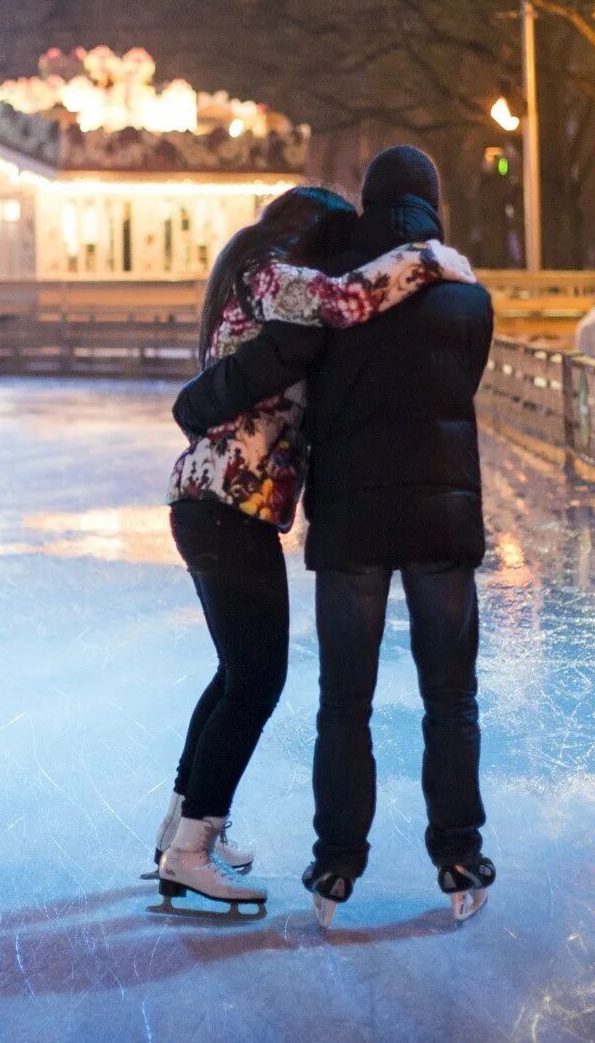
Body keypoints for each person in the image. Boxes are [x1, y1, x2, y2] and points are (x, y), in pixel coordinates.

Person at [174, 146, 497, 927]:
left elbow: (298, 374)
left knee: (335, 700)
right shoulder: (463, 299)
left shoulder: (301, 298)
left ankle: (330, 864)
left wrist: (195, 404)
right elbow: (453, 372)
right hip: (433, 515)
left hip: (339, 519)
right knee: (445, 696)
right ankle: (458, 852)